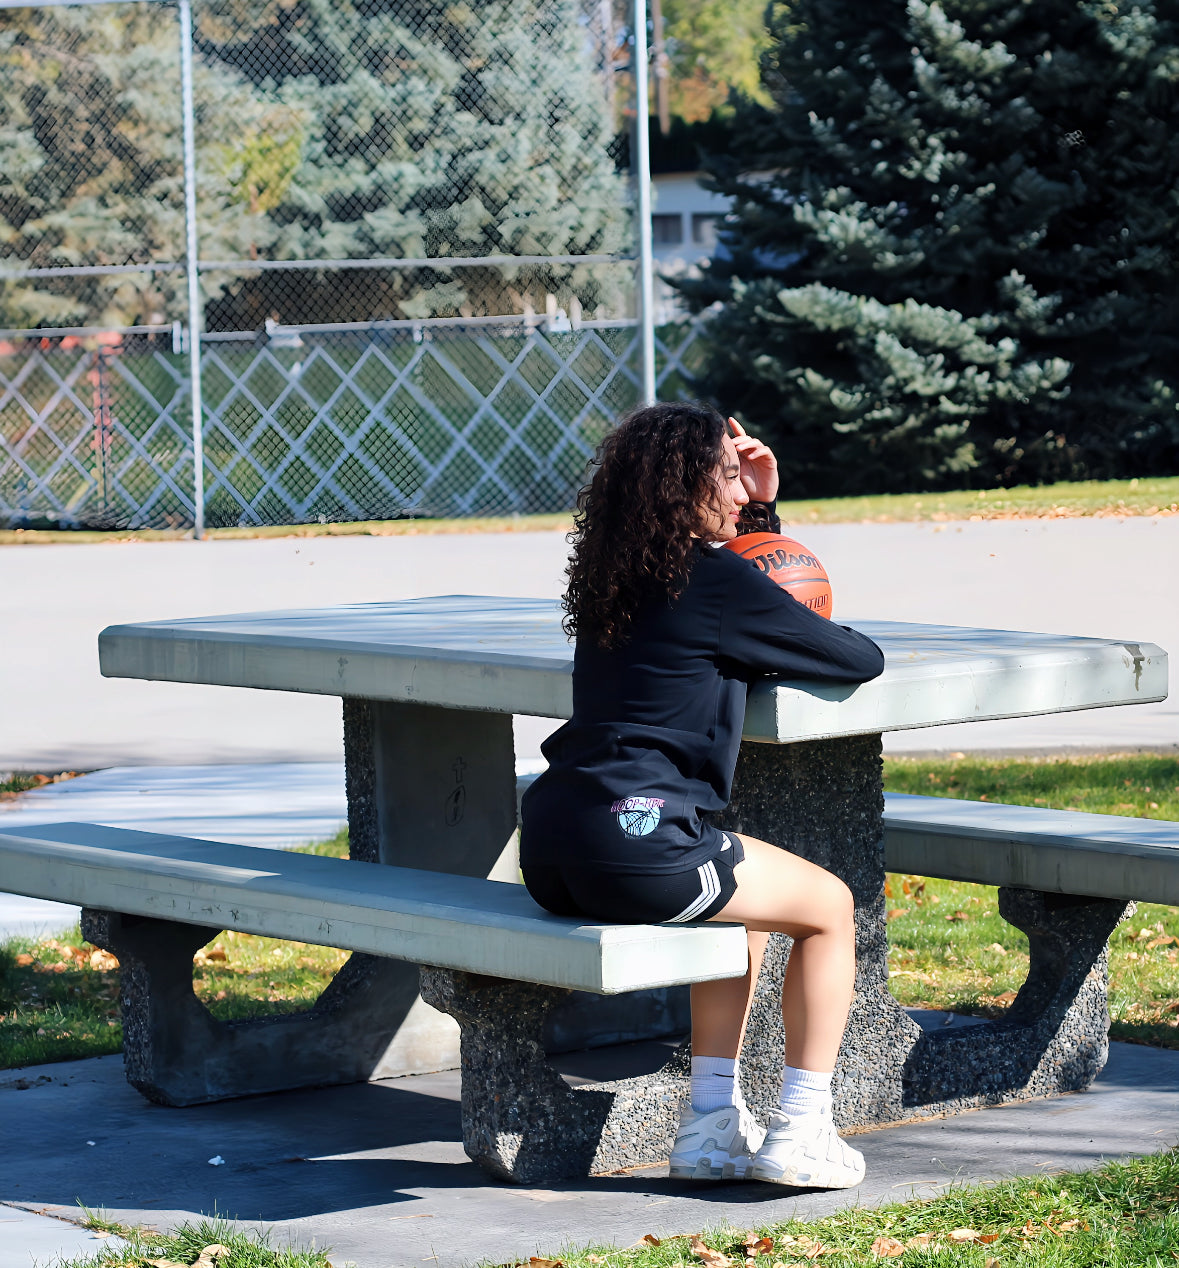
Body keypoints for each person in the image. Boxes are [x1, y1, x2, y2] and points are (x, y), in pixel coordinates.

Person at [519, 401, 885, 1188]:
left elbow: (747, 614)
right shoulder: (713, 579)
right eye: (725, 475)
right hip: (638, 840)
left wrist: (756, 505)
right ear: (686, 483)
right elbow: (853, 656)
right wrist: (763, 518)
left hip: (552, 840)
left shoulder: (618, 577)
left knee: (747, 911)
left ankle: (712, 1125)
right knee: (828, 907)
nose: (734, 490)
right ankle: (801, 1128)